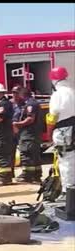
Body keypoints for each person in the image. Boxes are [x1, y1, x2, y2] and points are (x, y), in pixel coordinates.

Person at [46, 66, 75, 198]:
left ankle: (67, 192)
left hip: (63, 132)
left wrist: (48, 133)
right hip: (72, 130)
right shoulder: (72, 92)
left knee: (65, 162)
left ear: (54, 80)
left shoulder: (57, 95)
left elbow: (52, 118)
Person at [13, 87, 43, 183]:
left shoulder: (30, 104)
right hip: (33, 133)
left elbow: (30, 119)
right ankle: (36, 175)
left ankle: (27, 175)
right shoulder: (31, 103)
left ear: (23, 94)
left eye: (18, 94)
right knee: (34, 154)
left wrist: (18, 124)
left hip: (29, 133)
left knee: (27, 153)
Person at [9, 86, 25, 177]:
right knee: (11, 152)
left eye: (16, 92)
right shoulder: (9, 103)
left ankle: (24, 172)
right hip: (11, 131)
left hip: (21, 130)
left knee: (23, 151)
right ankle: (11, 172)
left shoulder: (24, 103)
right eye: (13, 92)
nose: (14, 94)